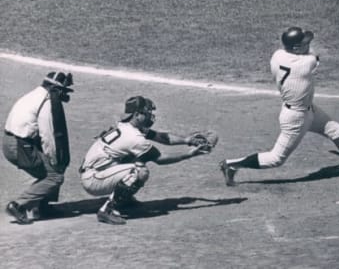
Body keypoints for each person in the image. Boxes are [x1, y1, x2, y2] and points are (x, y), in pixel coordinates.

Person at [219, 27, 339, 186]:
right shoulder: (306, 63)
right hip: (295, 118)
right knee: (276, 159)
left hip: (308, 110)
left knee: (337, 132)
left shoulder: (278, 56)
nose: (309, 45)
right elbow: (315, 57)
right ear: (296, 48)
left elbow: (302, 51)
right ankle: (231, 164)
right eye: (305, 43)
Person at [79, 96, 210, 225]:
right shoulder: (134, 138)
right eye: (146, 113)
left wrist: (187, 140)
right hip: (94, 179)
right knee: (139, 171)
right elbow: (160, 158)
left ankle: (123, 198)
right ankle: (108, 209)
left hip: (100, 170)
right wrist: (188, 155)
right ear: (137, 114)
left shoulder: (127, 126)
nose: (149, 116)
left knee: (135, 158)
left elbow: (161, 137)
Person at [3, 71, 74, 224]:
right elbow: (49, 136)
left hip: (13, 141)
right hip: (19, 145)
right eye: (64, 91)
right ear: (56, 89)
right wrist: (54, 159)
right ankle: (19, 204)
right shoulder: (47, 102)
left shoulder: (35, 94)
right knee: (55, 175)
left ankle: (42, 206)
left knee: (52, 170)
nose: (65, 95)